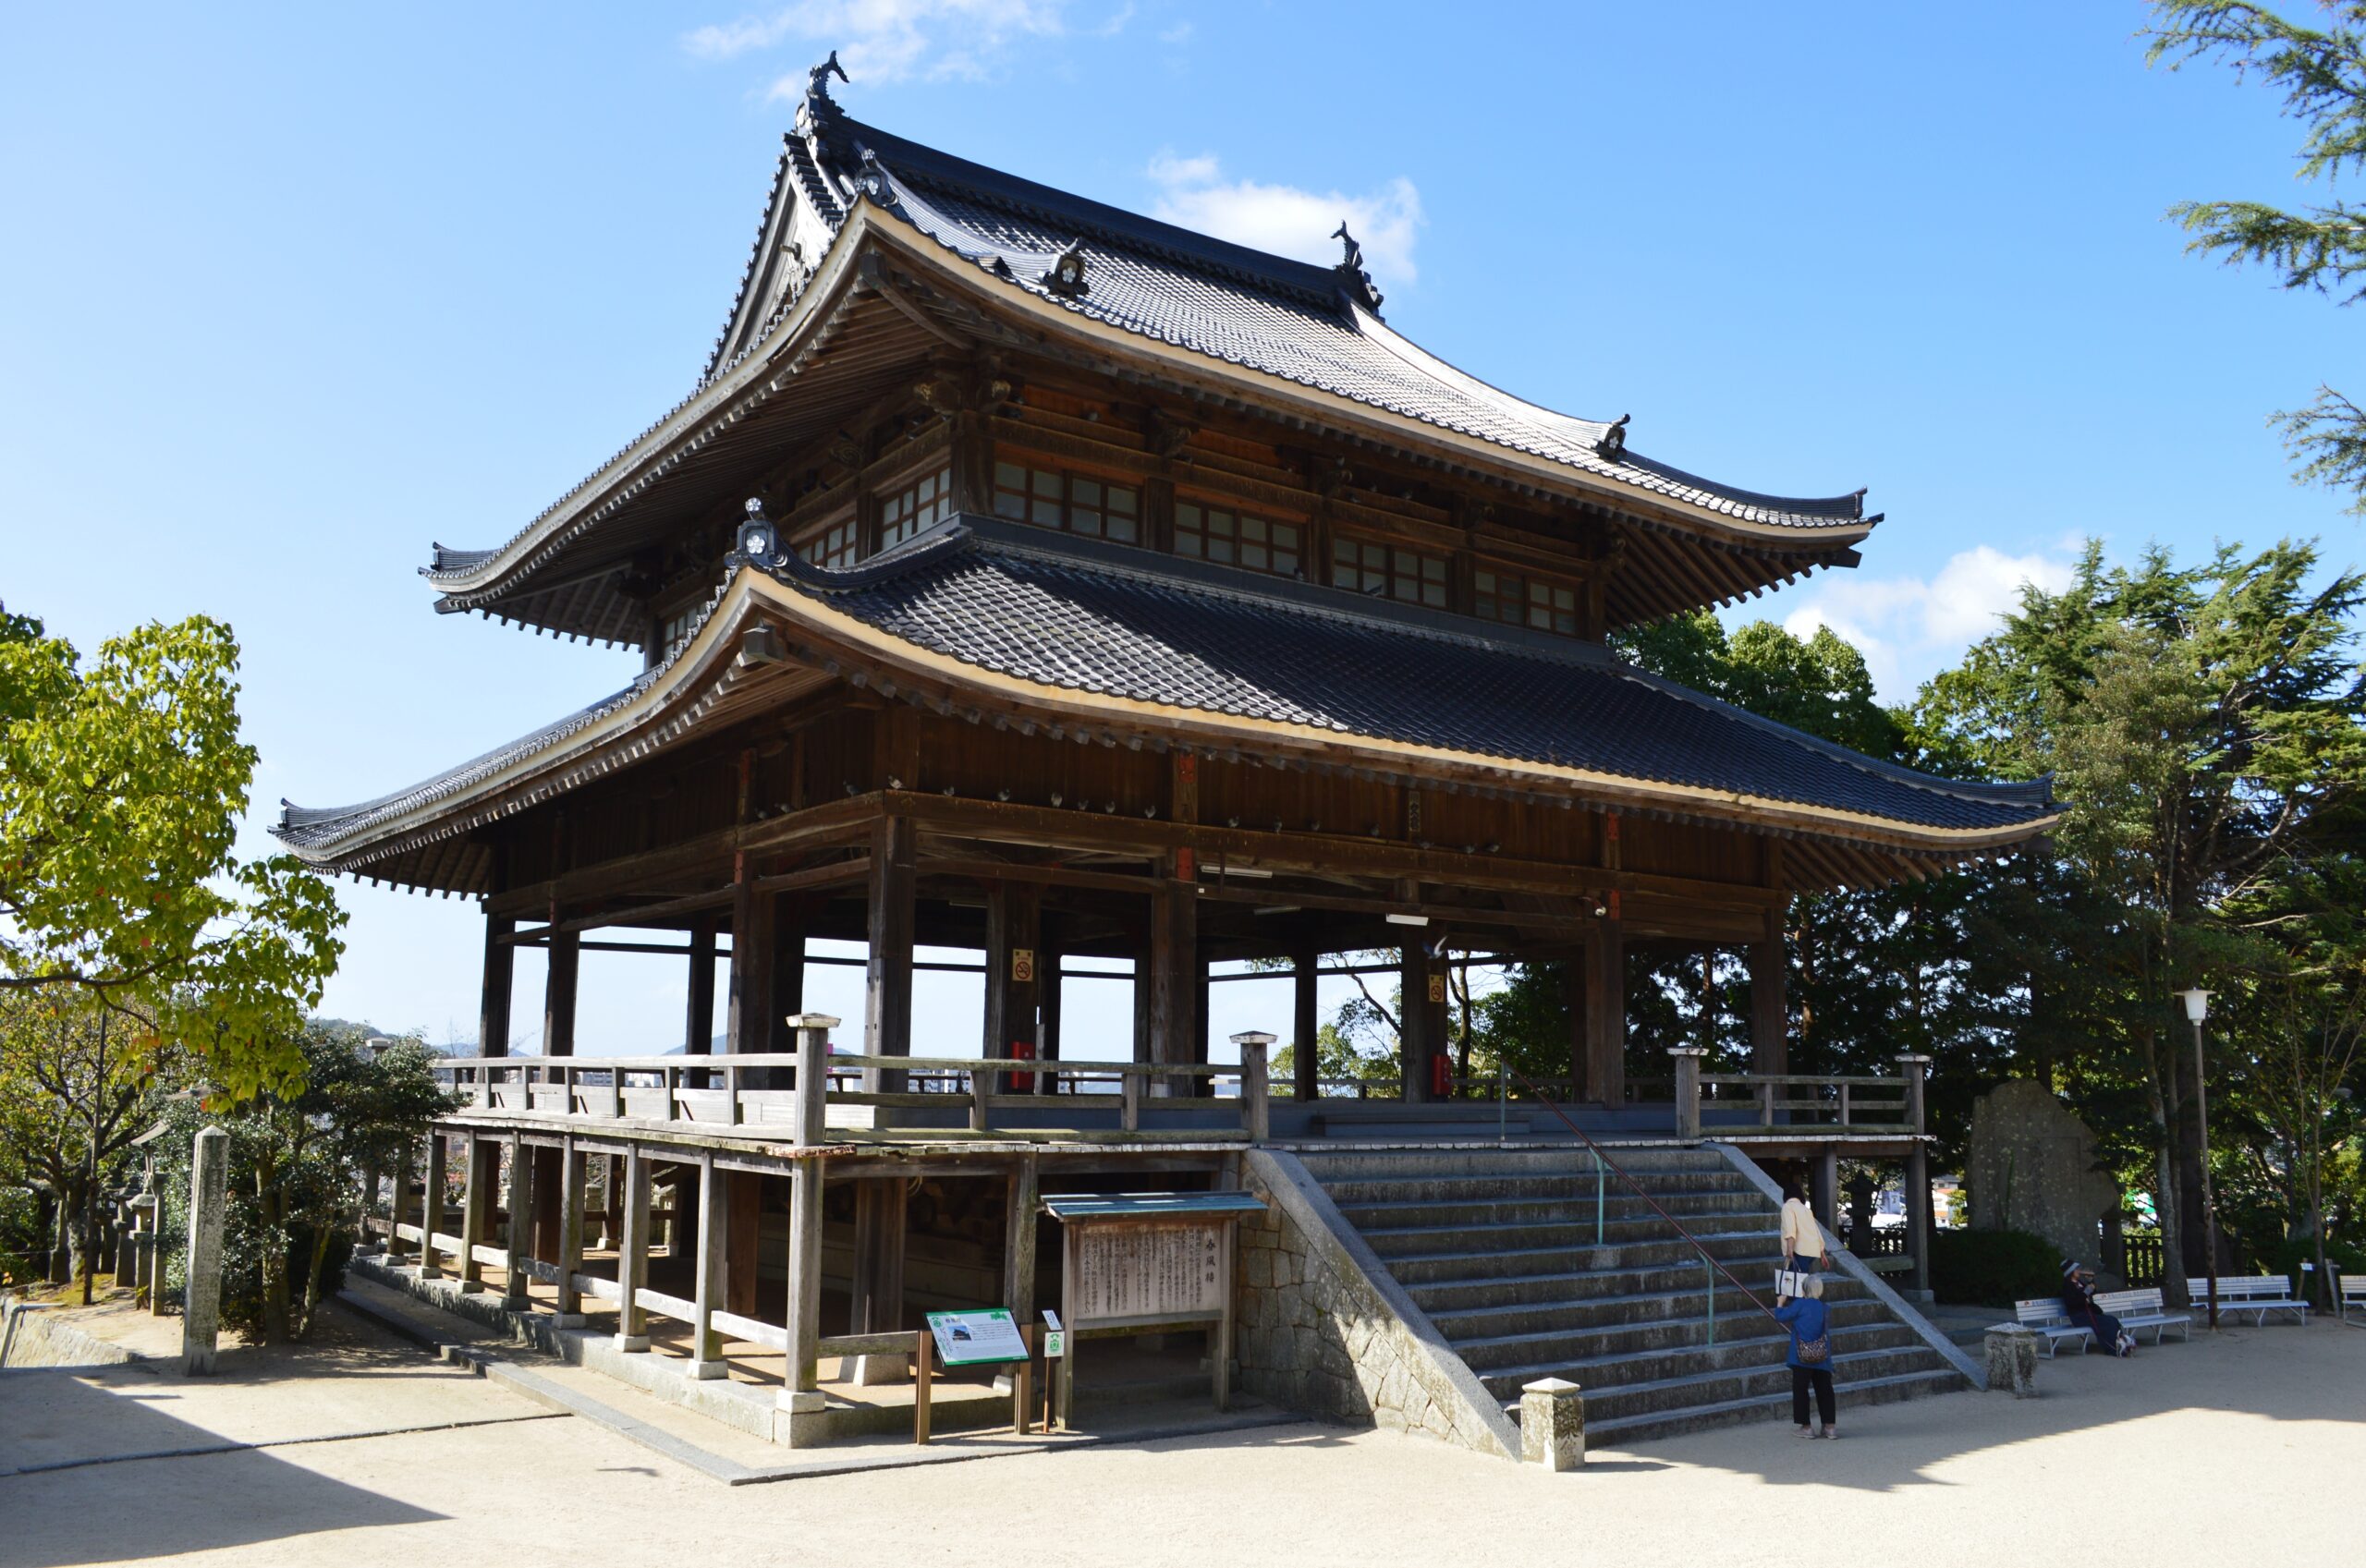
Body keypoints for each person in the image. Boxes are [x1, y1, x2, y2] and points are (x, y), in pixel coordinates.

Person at [1774, 1273, 1837, 1439]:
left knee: (1801, 1390)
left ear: (1804, 1289)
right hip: (1821, 1354)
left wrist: (1780, 1303)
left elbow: (1780, 1317)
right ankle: (1829, 1427)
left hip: (1801, 1355)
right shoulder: (1824, 1308)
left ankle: (1806, 1427)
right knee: (1825, 1390)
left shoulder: (1799, 1304)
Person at [2060, 1258, 2133, 1357]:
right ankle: (2112, 1348)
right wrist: (2085, 1292)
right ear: (2070, 1272)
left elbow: (2091, 1292)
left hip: (2088, 1313)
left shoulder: (2079, 1282)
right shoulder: (2067, 1286)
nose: (2079, 1270)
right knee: (2106, 1322)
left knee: (2112, 1320)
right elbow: (2073, 1302)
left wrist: (2091, 1281)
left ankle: (2120, 1341)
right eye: (2076, 1269)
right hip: (2078, 1316)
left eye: (2078, 1268)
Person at [1780, 1174, 1829, 1278]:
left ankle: (1798, 1294)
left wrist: (1789, 1249)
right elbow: (1816, 1231)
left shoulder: (1788, 1207)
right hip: (1812, 1250)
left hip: (1800, 1250)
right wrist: (1822, 1253)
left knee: (1797, 1284)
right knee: (1797, 1280)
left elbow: (1790, 1230)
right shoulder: (1805, 1209)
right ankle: (1788, 1294)